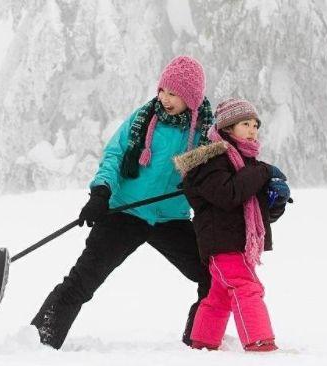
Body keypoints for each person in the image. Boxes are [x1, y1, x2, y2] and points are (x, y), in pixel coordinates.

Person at [30, 56, 215, 349]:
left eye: (174, 93)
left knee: (214, 277)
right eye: (163, 90)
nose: (165, 99)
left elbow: (219, 174)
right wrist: (101, 192)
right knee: (82, 281)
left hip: (171, 218)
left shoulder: (206, 133)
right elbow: (114, 155)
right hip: (125, 211)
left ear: (191, 97)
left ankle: (201, 342)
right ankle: (39, 342)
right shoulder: (144, 118)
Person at [173, 98, 290, 351]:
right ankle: (260, 342)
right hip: (221, 242)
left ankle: (203, 342)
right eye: (245, 124)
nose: (252, 130)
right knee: (247, 287)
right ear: (227, 128)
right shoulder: (211, 160)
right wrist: (264, 172)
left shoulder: (247, 163)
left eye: (255, 125)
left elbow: (257, 214)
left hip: (237, 242)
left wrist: (276, 200)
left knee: (218, 296)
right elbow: (228, 195)